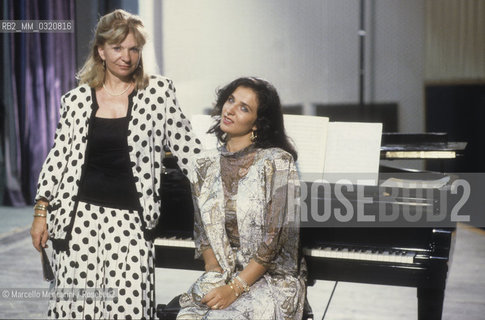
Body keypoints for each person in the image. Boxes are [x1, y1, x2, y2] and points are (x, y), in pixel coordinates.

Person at [29, 9, 201, 319]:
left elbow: (190, 152)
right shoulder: (76, 99)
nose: (126, 56)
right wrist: (41, 210)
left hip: (133, 222)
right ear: (101, 51)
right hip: (78, 220)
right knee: (79, 310)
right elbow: (58, 157)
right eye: (117, 48)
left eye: (133, 48)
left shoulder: (159, 93)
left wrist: (235, 179)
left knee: (130, 309)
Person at [177, 77, 306, 320]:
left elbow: (273, 241)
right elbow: (203, 233)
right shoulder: (203, 164)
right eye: (231, 100)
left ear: (258, 123)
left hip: (270, 279)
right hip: (225, 274)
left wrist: (234, 288)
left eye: (244, 108)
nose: (231, 110)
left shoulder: (278, 162)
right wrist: (214, 275)